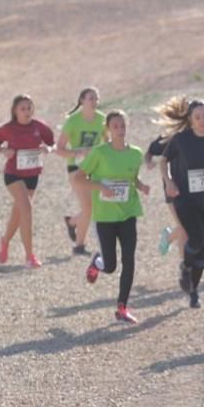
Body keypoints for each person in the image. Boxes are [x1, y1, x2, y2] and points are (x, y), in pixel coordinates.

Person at [156, 96, 204, 308]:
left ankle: (193, 289)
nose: (202, 120)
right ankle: (186, 270)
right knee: (196, 238)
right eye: (198, 117)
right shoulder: (181, 140)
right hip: (185, 200)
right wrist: (169, 181)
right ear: (190, 120)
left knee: (202, 249)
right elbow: (163, 161)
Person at [79, 110, 149, 324]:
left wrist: (141, 185)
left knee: (129, 260)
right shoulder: (100, 153)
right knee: (111, 266)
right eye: (115, 126)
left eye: (122, 125)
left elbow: (132, 177)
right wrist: (100, 186)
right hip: (105, 216)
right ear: (108, 129)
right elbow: (79, 178)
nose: (119, 129)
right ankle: (97, 263)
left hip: (128, 212)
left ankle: (122, 307)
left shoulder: (136, 153)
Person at [0, 94, 55, 268]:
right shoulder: (8, 128)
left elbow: (52, 143)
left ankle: (5, 241)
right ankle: (30, 256)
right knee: (27, 209)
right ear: (15, 111)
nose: (27, 111)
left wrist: (48, 148)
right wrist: (2, 151)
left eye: (29, 108)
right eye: (22, 108)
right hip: (13, 174)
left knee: (19, 212)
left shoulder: (39, 126)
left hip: (32, 175)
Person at [57, 86, 105, 255]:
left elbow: (107, 143)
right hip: (76, 167)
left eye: (96, 98)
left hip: (95, 167)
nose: (94, 101)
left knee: (91, 207)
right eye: (90, 98)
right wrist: (78, 152)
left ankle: (72, 222)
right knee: (88, 207)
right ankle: (79, 246)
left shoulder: (102, 120)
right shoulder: (73, 121)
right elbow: (59, 148)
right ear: (82, 101)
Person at [145, 134, 186, 256]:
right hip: (174, 190)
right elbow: (150, 152)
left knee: (192, 228)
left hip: (195, 190)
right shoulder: (171, 136)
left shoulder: (201, 133)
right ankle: (186, 269)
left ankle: (168, 237)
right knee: (185, 228)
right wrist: (148, 162)